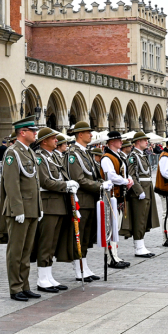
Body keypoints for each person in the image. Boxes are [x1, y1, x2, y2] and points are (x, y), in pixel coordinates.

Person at [0, 117, 42, 301]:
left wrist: (39, 208)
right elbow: (11, 184)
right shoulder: (12, 153)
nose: (35, 133)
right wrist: (18, 210)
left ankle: (25, 285)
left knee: (26, 251)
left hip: (31, 208)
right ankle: (15, 287)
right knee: (16, 251)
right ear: (22, 132)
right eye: (32, 130)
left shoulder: (29, 152)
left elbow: (34, 182)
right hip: (20, 210)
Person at [32, 128, 80, 292]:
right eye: (53, 139)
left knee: (52, 243)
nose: (56, 141)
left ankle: (49, 275)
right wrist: (65, 185)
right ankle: (42, 278)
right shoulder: (39, 158)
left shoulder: (53, 157)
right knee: (46, 242)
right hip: (48, 205)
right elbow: (45, 181)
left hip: (59, 204)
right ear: (44, 141)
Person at [64, 121, 105, 282]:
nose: (91, 134)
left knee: (87, 236)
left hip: (91, 200)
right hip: (82, 201)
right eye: (88, 132)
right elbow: (79, 179)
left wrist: (102, 183)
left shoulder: (86, 152)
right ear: (80, 134)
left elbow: (94, 174)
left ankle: (85, 266)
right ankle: (78, 268)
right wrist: (100, 187)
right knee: (79, 236)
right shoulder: (73, 154)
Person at [121, 131, 159, 258]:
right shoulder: (133, 156)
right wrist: (139, 191)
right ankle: (138, 246)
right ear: (138, 142)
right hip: (140, 191)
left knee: (144, 218)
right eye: (144, 140)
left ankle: (141, 244)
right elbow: (131, 175)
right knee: (139, 219)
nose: (147, 142)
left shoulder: (142, 155)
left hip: (146, 189)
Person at [100, 131, 133, 269]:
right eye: (119, 140)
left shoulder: (117, 156)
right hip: (111, 195)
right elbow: (111, 176)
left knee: (116, 226)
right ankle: (111, 257)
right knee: (111, 227)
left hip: (119, 195)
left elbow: (122, 171)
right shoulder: (107, 158)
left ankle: (115, 254)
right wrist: (125, 181)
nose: (121, 142)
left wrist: (128, 178)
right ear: (112, 142)